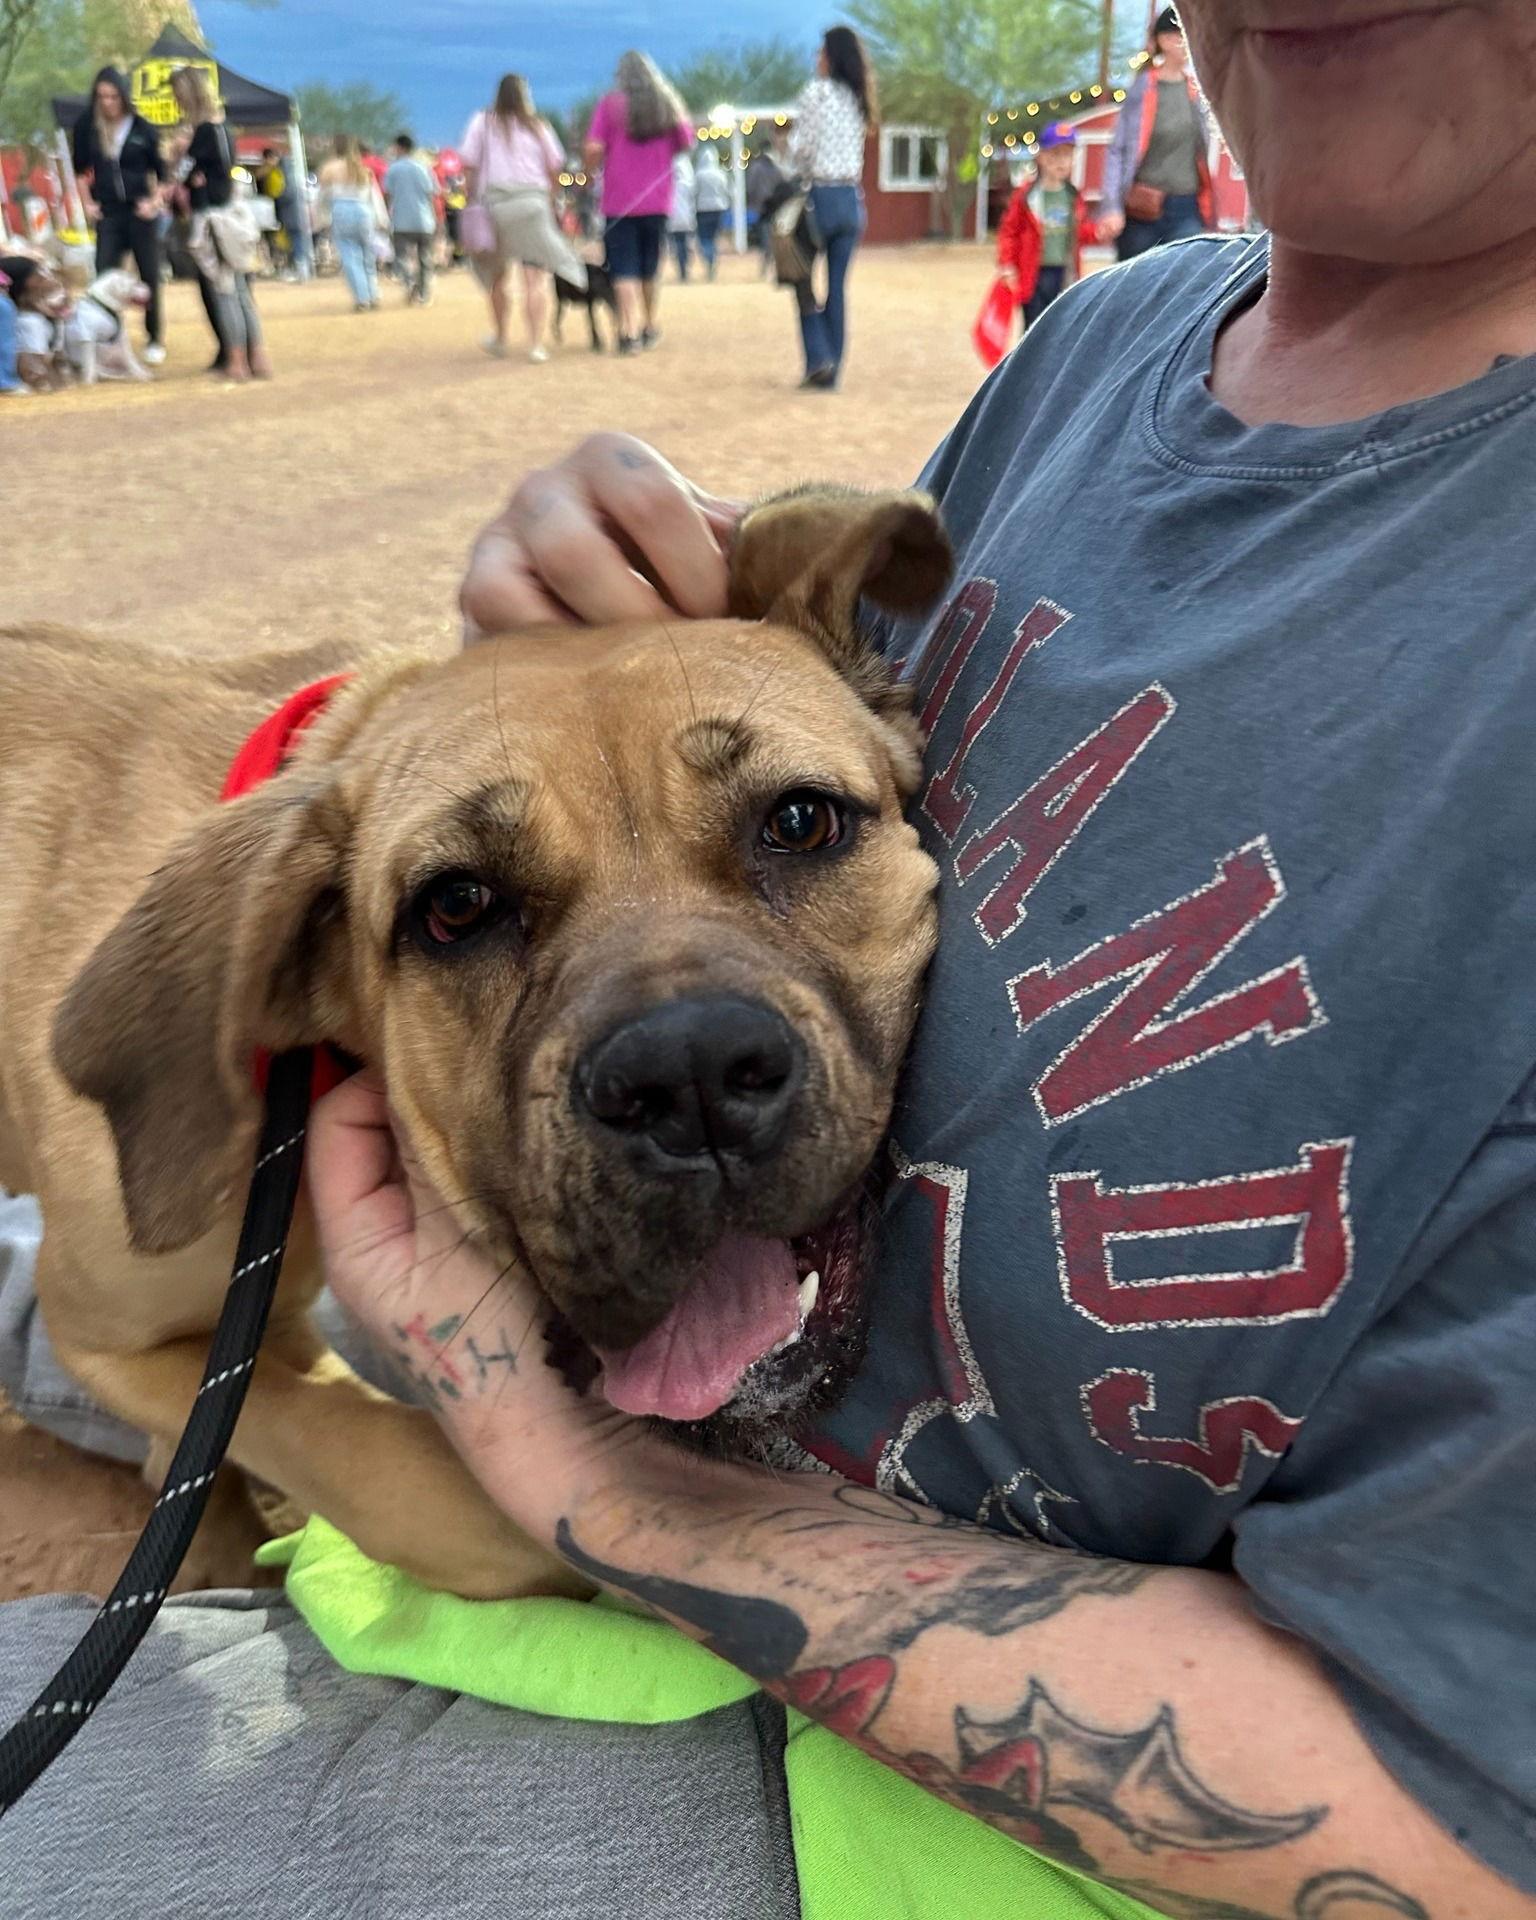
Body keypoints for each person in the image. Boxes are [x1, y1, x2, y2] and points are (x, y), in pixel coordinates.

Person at [4, 2, 1536, 1914]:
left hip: (845, 1745)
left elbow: (1473, 1808)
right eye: (471, 917)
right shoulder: (1107, 340)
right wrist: (573, 619)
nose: (682, 1047)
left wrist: (573, 1480)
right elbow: (717, 718)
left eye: (804, 839)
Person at [460, 74, 586, 365]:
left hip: (495, 205)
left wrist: (471, 199)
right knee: (535, 278)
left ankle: (501, 337)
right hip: (532, 204)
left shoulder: (482, 121)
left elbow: (469, 164)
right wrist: (550, 196)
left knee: (496, 276)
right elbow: (555, 167)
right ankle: (536, 345)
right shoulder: (538, 126)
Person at [584, 51, 693, 355]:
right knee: (649, 267)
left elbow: (593, 147)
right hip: (657, 202)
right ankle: (648, 324)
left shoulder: (610, 105)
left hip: (618, 202)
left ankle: (627, 332)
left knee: (623, 268)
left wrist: (590, 171)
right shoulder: (666, 104)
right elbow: (686, 140)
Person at [168, 66, 271, 383]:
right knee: (240, 292)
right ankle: (258, 358)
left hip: (212, 218)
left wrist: (185, 171)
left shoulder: (201, 132)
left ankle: (237, 362)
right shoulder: (224, 127)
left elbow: (183, 173)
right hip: (231, 215)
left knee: (225, 292)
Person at [787, 26, 874, 391]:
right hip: (850, 200)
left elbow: (800, 150)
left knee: (800, 277)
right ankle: (833, 369)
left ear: (830, 56)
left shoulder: (815, 94)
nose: (816, 58)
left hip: (818, 198)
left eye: (820, 52)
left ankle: (818, 357)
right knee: (837, 287)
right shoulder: (858, 98)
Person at [1099, 6, 1213, 260]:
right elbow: (1117, 150)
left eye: (1188, 35)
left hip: (1186, 206)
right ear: (1162, 39)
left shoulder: (1196, 91)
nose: (1184, 43)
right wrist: (1111, 207)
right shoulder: (1143, 88)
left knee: (1186, 280)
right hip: (1143, 207)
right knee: (1135, 285)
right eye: (1178, 35)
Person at [70, 67, 166, 366]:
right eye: (101, 97)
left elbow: (163, 174)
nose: (107, 103)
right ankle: (108, 337)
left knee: (149, 273)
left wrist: (154, 202)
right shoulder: (88, 126)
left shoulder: (143, 128)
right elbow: (80, 171)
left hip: (139, 210)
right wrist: (88, 204)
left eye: (113, 96)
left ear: (123, 97)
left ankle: (154, 337)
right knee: (103, 273)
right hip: (109, 211)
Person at [995, 124, 1098, 332]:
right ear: (1041, 157)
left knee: (1062, 327)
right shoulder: (1026, 196)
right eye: (1055, 155)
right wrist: (1007, 264)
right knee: (1033, 328)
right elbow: (1009, 231)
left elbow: (1080, 232)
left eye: (1067, 156)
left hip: (1064, 272)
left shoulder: (1073, 196)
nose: (1061, 162)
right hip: (1033, 273)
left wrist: (1097, 232)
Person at [319, 135, 383, 312]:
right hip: (364, 211)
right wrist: (381, 219)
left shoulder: (329, 169)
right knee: (367, 256)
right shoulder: (362, 168)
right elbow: (374, 195)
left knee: (350, 256)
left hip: (341, 210)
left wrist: (322, 219)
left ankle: (362, 298)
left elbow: (322, 198)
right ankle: (374, 293)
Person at [384, 133, 437, 306]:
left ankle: (409, 281)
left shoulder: (393, 169)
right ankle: (423, 293)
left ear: (399, 147)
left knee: (401, 256)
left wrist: (387, 213)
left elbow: (387, 194)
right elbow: (432, 192)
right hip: (423, 219)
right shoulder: (423, 168)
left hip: (401, 220)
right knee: (425, 258)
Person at [745, 139, 785, 276]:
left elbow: (750, 187)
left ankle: (766, 264)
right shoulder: (777, 166)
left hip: (761, 207)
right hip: (777, 206)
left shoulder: (756, 167)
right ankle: (774, 264)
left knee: (764, 237)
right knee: (776, 236)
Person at [692, 144, 731, 280]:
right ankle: (712, 259)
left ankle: (709, 260)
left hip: (702, 210)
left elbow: (693, 193)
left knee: (704, 239)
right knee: (713, 238)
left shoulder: (698, 175)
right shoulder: (721, 174)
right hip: (719, 209)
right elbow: (727, 191)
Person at [667, 148, 695, 281]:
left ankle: (681, 269)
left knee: (676, 245)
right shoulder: (687, 184)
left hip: (671, 219)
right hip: (686, 219)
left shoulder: (667, 184)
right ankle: (685, 268)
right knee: (684, 244)